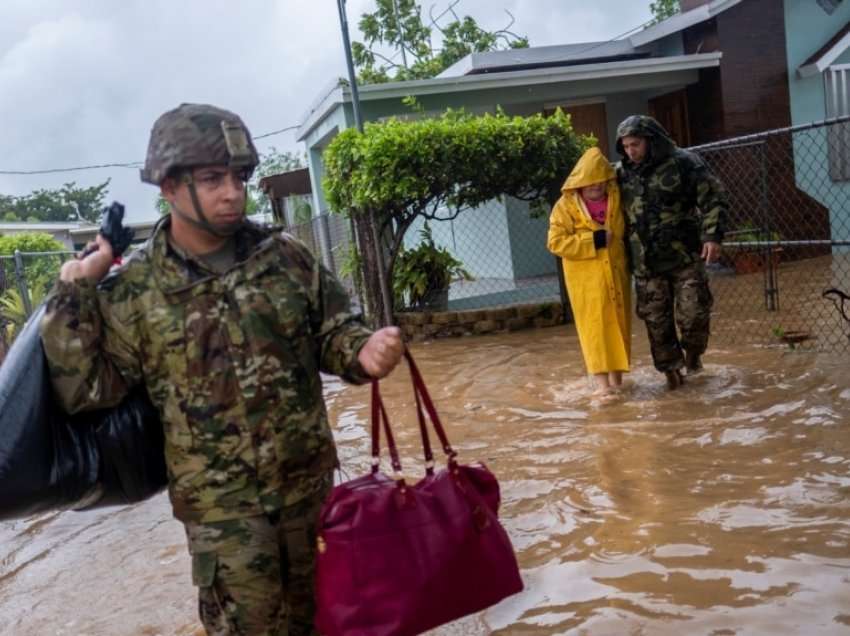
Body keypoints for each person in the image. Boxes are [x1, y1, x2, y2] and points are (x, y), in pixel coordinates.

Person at [39, 103, 404, 635]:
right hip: (224, 518)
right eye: (212, 179)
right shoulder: (137, 291)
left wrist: (362, 351)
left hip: (312, 494)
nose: (232, 192)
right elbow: (85, 391)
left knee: (336, 621)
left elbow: (333, 331)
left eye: (239, 177)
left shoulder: (284, 258)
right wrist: (77, 283)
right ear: (168, 187)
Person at [615, 115, 728, 390]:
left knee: (694, 315)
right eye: (626, 146)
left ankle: (693, 361)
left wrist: (712, 236)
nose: (631, 151)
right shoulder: (620, 173)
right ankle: (672, 378)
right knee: (656, 322)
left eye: (636, 144)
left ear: (651, 140)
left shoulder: (685, 163)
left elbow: (714, 198)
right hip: (646, 263)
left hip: (685, 257)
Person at [548, 147, 631, 397]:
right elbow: (555, 242)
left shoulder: (617, 199)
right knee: (594, 328)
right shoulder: (564, 207)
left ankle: (618, 382)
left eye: (600, 182)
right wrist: (593, 241)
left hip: (616, 274)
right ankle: (602, 385)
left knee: (619, 324)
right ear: (579, 183)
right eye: (589, 182)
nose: (595, 187)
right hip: (586, 281)